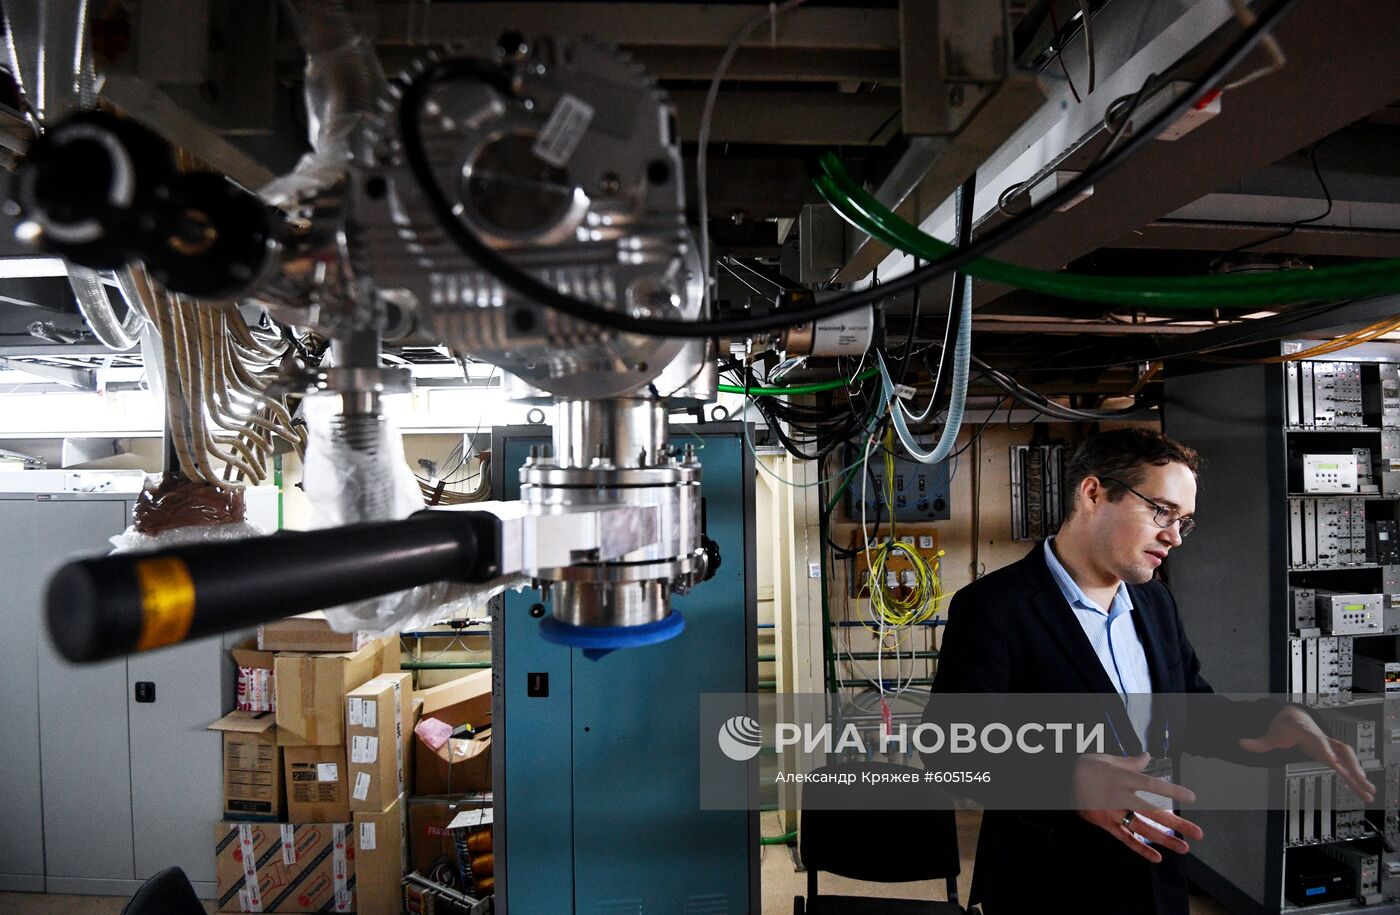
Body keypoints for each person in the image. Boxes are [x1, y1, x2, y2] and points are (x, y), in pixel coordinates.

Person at [929, 428, 1375, 914]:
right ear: (1093, 494)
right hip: (1048, 887)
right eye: (1162, 511)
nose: (1175, 536)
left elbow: (1189, 711)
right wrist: (1067, 782)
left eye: (1184, 521)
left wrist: (1269, 723)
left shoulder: (1154, 601)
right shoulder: (994, 607)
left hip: (1159, 873)